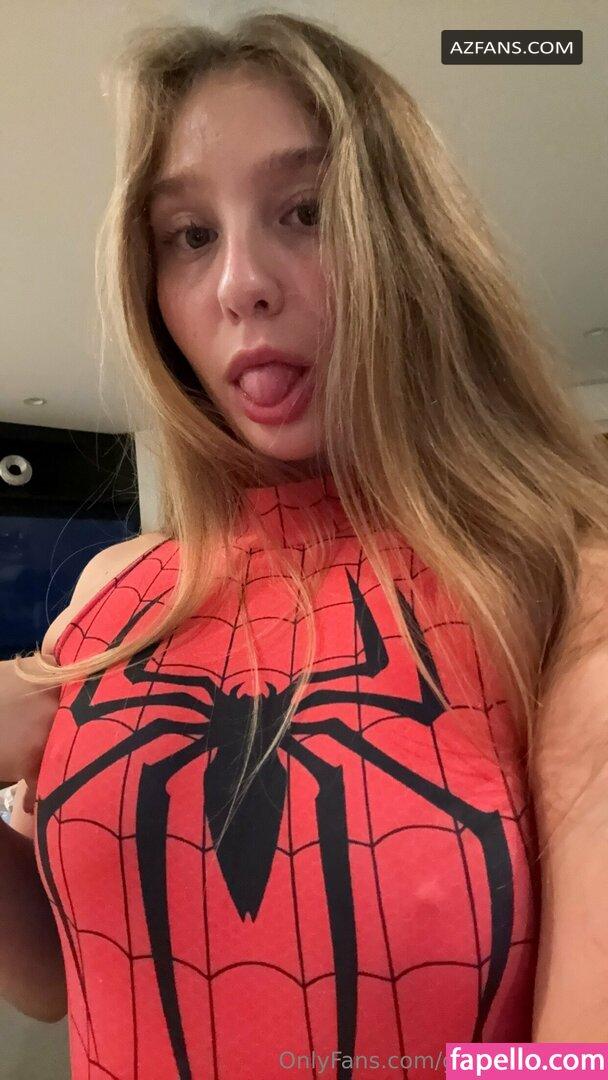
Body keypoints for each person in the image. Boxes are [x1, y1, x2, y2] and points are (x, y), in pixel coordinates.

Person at [5, 10, 608, 1078]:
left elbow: (577, 1061)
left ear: (410, 245)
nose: (239, 282)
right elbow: (65, 979)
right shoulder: (114, 594)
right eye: (189, 235)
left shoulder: (556, 580)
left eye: (306, 211)